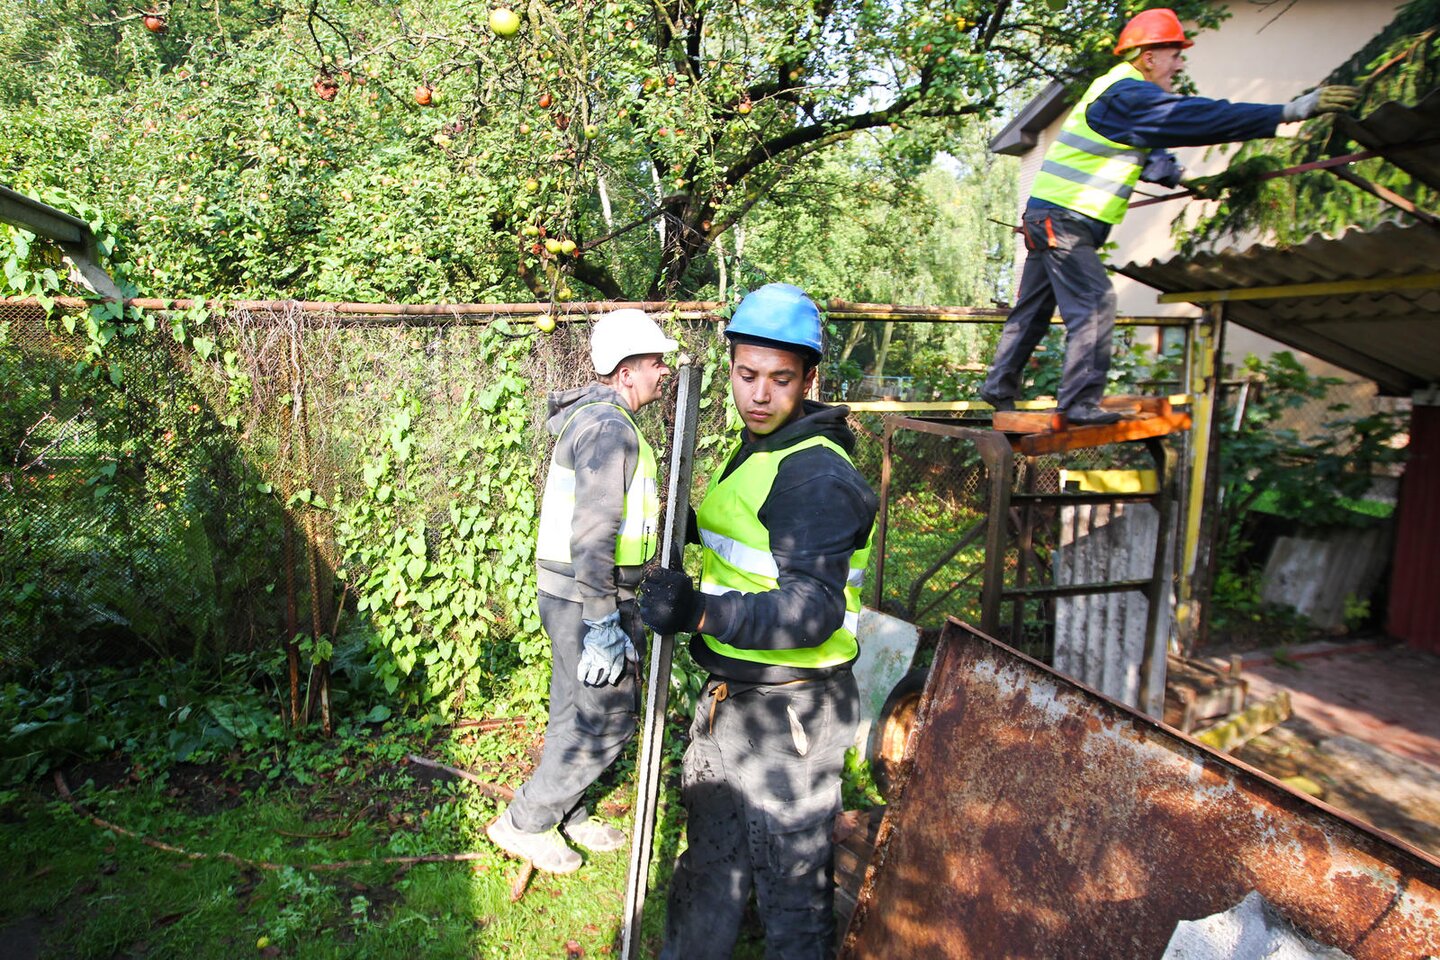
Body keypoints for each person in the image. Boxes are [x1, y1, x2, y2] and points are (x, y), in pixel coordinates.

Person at [639, 283, 879, 959]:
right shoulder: (763, 447)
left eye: (780, 379)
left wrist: (700, 612)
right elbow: (748, 543)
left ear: (809, 379)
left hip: (793, 716)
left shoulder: (816, 476)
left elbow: (813, 608)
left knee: (791, 894)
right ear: (732, 368)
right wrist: (685, 531)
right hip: (733, 698)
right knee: (710, 863)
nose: (760, 395)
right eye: (747, 375)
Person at [980, 7, 1360, 425]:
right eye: (1175, 54)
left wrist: (1185, 179)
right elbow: (1194, 116)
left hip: (1051, 216)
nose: (1180, 64)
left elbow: (1145, 149)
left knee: (1033, 308)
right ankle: (1078, 405)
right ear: (1147, 57)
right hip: (1064, 219)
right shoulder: (1126, 93)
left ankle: (998, 386)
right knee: (1094, 302)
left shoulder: (1117, 95)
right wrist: (1288, 111)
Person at [486, 308, 677, 874]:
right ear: (625, 372)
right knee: (609, 717)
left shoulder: (596, 419)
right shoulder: (609, 428)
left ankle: (567, 812)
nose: (662, 371)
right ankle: (526, 821)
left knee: (574, 708)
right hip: (589, 599)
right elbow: (594, 535)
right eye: (653, 362)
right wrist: (602, 621)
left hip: (572, 596)